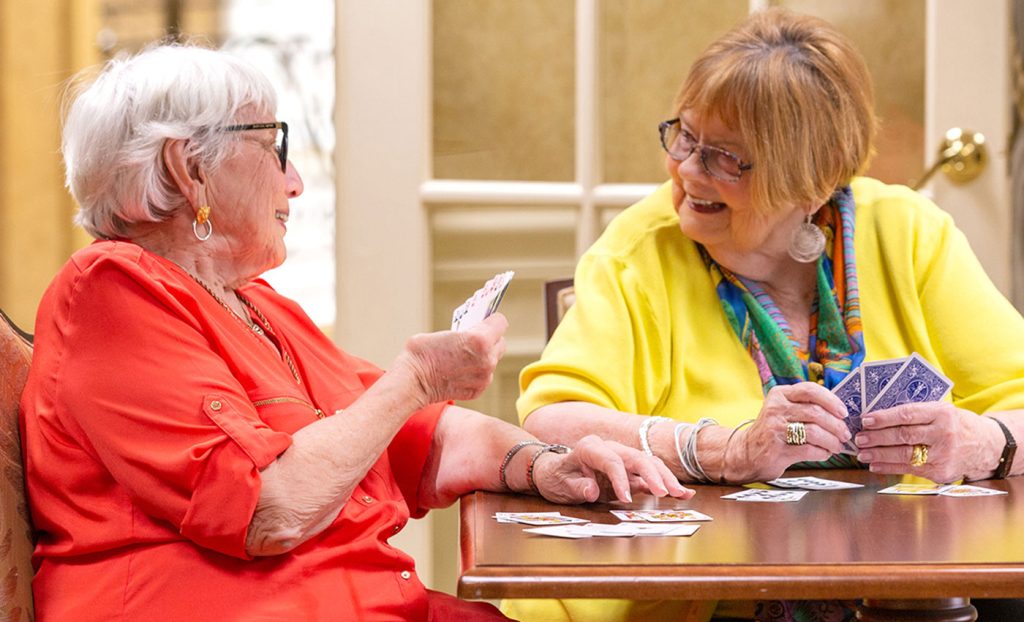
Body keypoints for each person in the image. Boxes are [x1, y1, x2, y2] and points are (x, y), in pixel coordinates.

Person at [19, 44, 693, 622]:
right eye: (272, 147)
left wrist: (545, 463)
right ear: (187, 169)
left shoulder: (252, 302)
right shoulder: (112, 289)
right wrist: (416, 380)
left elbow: (425, 439)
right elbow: (266, 510)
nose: (296, 181)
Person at [504, 8, 1024, 622]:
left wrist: (985, 442)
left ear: (815, 180)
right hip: (698, 599)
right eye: (685, 136)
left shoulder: (907, 232)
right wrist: (728, 451)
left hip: (914, 594)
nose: (688, 169)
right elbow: (554, 418)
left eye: (727, 158)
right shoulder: (641, 249)